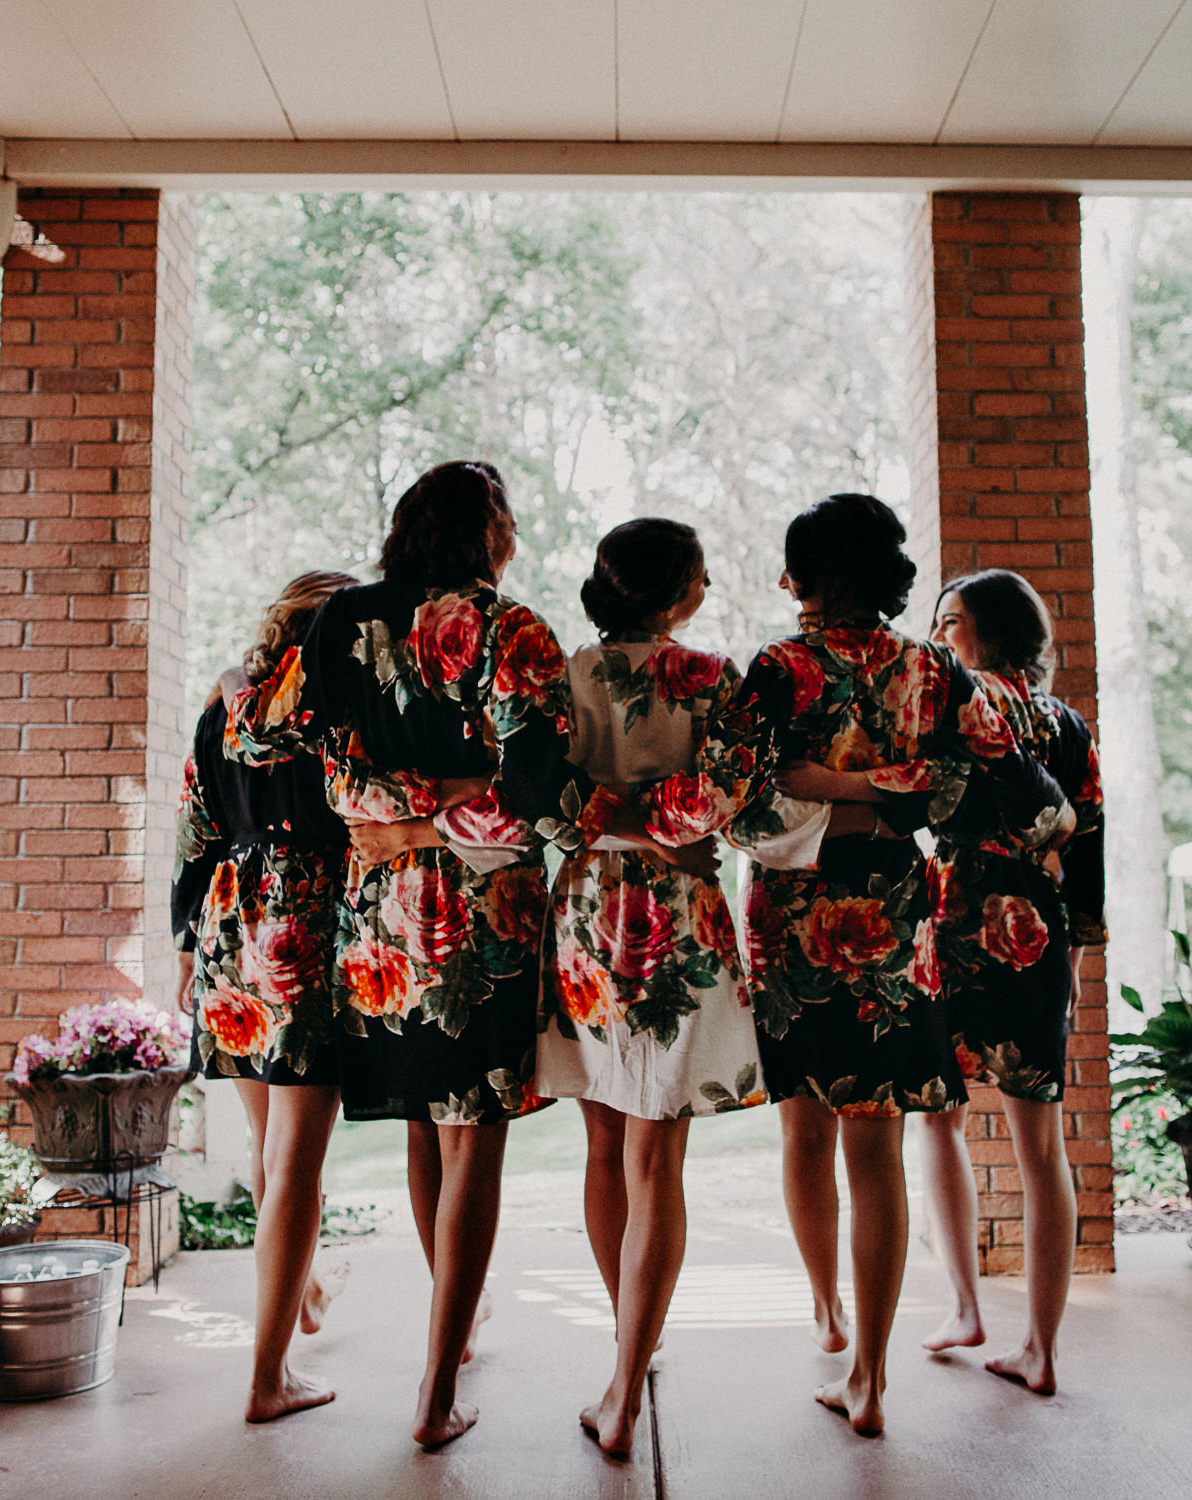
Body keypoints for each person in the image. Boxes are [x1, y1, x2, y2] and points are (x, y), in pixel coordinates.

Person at [642, 495, 1070, 1437]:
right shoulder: (933, 669)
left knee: (805, 1131)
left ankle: (829, 1313)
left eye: (792, 569)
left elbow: (724, 789)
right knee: (874, 1143)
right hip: (894, 905)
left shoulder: (780, 669)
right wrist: (889, 794)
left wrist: (626, 816)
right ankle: (870, 1375)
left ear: (807, 577)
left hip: (794, 909)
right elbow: (993, 789)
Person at [231, 460, 616, 1448]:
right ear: (490, 532)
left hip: (382, 915)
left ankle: (444, 1359)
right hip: (484, 908)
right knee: (469, 1135)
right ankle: (437, 1394)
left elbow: (313, 757)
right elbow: (543, 788)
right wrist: (459, 804)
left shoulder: (341, 620)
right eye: (509, 519)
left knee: (422, 1122)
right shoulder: (515, 629)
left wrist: (400, 819)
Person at [536, 518, 828, 1458]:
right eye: (701, 574)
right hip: (674, 909)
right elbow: (733, 792)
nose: (707, 587)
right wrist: (667, 824)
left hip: (585, 909)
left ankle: (630, 1348)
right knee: (656, 1159)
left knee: (602, 1143)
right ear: (679, 592)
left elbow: (536, 790)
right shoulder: (714, 679)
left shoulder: (566, 675)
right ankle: (628, 1380)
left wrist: (606, 816)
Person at [171, 568, 360, 1425]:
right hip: (307, 925)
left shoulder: (226, 710)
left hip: (229, 921)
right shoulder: (332, 712)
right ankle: (267, 1376)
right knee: (296, 1160)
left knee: (266, 1143)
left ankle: (305, 1289)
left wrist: (186, 943)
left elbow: (194, 828)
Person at [917, 569, 1103, 1395]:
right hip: (1037, 929)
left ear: (987, 631)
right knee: (1041, 1146)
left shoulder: (958, 703)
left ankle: (966, 1306)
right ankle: (1044, 1348)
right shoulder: (1068, 723)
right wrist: (1080, 949)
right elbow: (1089, 844)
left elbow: (929, 805)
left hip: (958, 916)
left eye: (949, 622)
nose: (938, 636)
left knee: (939, 1122)